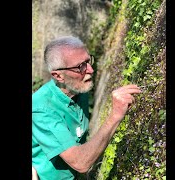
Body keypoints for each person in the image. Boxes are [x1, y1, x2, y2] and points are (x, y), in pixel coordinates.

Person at [32, 36, 141, 180]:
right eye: (80, 66)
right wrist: (115, 115)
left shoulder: (78, 88)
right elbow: (81, 162)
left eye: (88, 61)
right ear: (58, 76)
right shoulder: (42, 109)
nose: (90, 70)